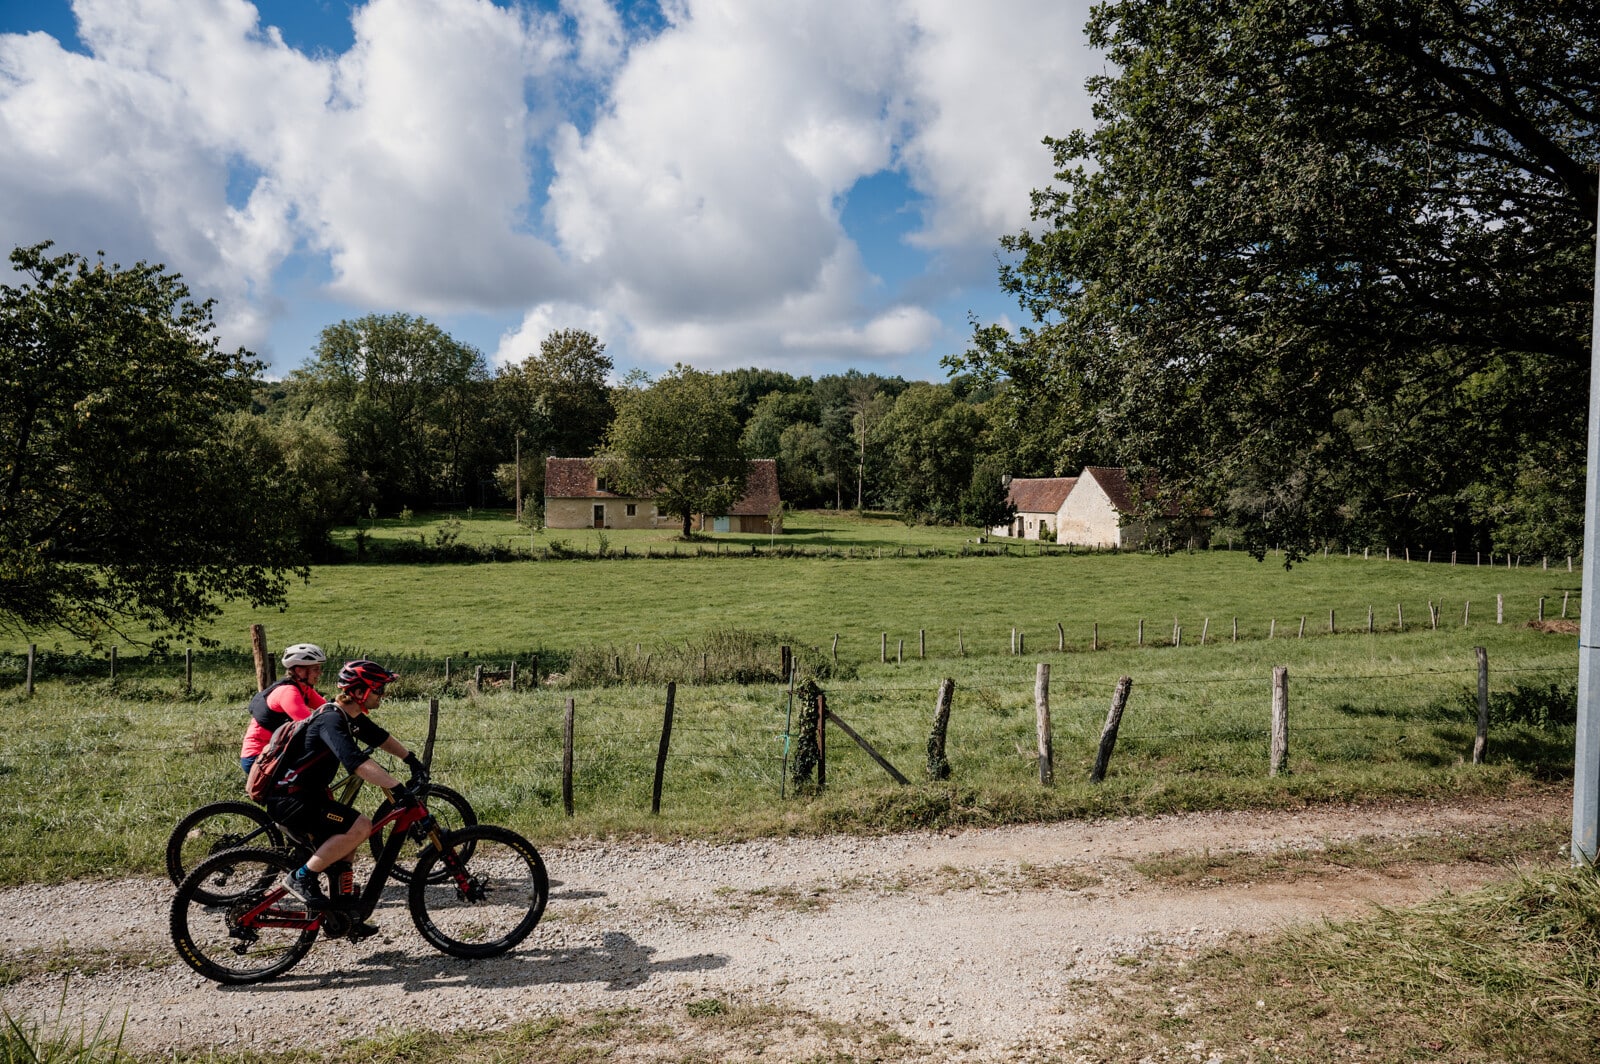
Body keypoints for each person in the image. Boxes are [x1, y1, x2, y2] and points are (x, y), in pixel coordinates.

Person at [263, 659, 428, 926]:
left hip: (305, 796)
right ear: (361, 691)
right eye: (379, 689)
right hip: (291, 800)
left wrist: (411, 759)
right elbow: (356, 763)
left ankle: (343, 915)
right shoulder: (331, 720)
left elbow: (378, 736)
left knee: (347, 841)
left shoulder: (347, 717)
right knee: (360, 826)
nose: (382, 695)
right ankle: (301, 877)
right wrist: (397, 788)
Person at [240, 643, 328, 773]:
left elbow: (326, 709)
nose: (320, 673)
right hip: (257, 757)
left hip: (276, 751)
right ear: (299, 671)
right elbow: (310, 726)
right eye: (316, 669)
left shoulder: (304, 689)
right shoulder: (288, 692)